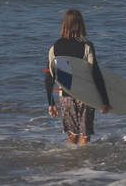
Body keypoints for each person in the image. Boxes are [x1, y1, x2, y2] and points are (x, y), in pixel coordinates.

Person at [43, 9, 111, 145]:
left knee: (73, 135)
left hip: (65, 95)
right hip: (85, 96)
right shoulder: (87, 46)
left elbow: (49, 76)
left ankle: (68, 162)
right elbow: (95, 74)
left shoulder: (54, 47)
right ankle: (83, 164)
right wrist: (104, 101)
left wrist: (51, 103)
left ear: (64, 24)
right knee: (85, 136)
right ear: (80, 24)